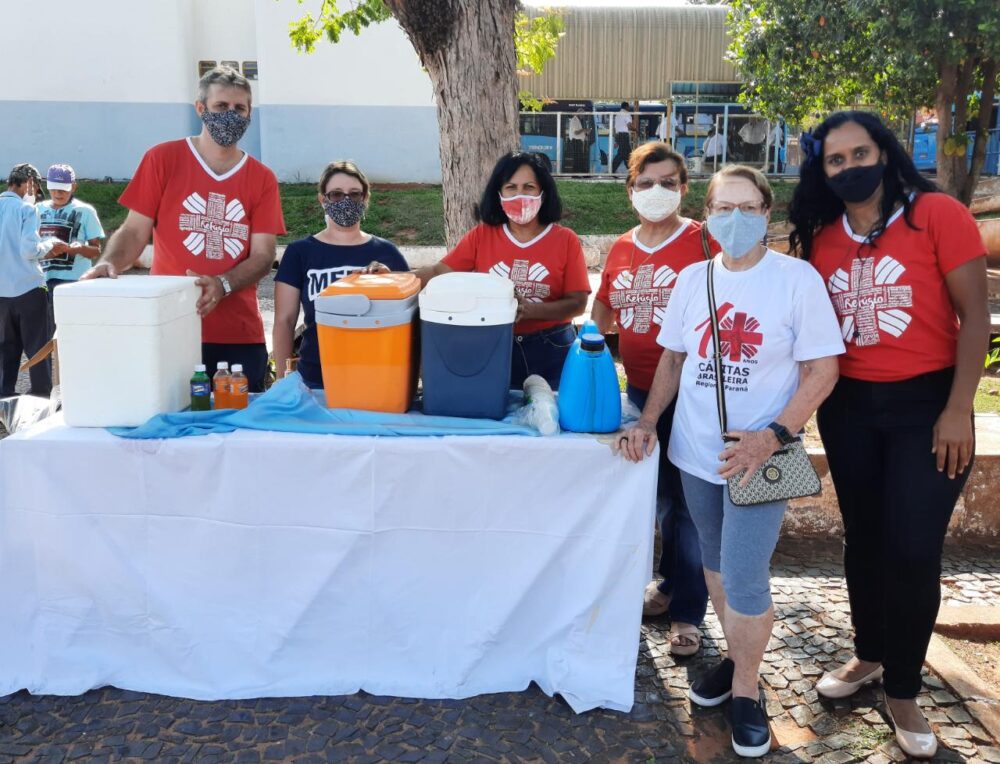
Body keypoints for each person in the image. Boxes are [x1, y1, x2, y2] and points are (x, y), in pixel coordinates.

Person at [620, 165, 843, 758]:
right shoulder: (694, 279)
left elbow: (823, 371)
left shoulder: (796, 281)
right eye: (724, 208)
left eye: (749, 208)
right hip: (696, 453)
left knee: (744, 575)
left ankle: (746, 688)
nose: (736, 220)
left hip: (758, 457)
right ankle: (738, 657)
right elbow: (671, 361)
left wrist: (771, 436)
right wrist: (647, 422)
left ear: (767, 214)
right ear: (709, 214)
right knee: (715, 566)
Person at [788, 111, 989, 760]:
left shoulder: (937, 215)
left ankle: (904, 688)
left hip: (928, 409)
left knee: (911, 547)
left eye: (860, 152)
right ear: (823, 172)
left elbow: (976, 319)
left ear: (886, 151)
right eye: (835, 161)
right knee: (864, 542)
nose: (850, 167)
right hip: (849, 410)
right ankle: (870, 656)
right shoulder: (823, 238)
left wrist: (959, 409)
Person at [83, 66, 285, 392]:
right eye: (221, 107)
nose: (231, 115)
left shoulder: (262, 178)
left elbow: (263, 255)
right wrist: (111, 262)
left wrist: (224, 284)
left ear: (249, 115)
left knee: (236, 435)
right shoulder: (163, 159)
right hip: (170, 326)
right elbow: (134, 231)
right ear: (201, 109)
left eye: (240, 109)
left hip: (238, 335)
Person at [592, 142, 711, 655]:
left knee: (690, 504)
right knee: (660, 495)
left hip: (696, 392)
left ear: (684, 188)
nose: (656, 191)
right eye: (645, 182)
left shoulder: (705, 241)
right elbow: (604, 307)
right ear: (630, 191)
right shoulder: (621, 247)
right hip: (640, 387)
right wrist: (590, 349)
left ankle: (689, 612)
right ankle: (668, 586)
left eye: (667, 182)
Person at [415, 151, 590, 389]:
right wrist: (393, 278)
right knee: (496, 413)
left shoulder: (565, 240)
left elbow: (577, 303)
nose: (520, 194)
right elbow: (438, 272)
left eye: (529, 186)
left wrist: (530, 310)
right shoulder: (482, 236)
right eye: (511, 187)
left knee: (554, 419)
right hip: (495, 343)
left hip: (552, 349)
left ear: (543, 192)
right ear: (499, 194)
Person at [273, 161, 409, 388]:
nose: (346, 200)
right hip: (315, 378)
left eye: (354, 195)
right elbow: (284, 321)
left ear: (365, 199)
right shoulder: (300, 252)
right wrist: (281, 380)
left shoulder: (386, 253)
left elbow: (408, 319)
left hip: (376, 377)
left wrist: (388, 280)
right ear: (323, 200)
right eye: (336, 195)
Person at [0, 164, 68, 397]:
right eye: (36, 187)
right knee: (38, 347)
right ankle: (40, 397)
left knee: (5, 350)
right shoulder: (27, 210)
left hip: (1, 293)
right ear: (29, 183)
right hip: (28, 288)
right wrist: (49, 244)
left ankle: (4, 400)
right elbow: (30, 250)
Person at [38, 164, 105, 320]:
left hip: (75, 281)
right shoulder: (37, 209)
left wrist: (79, 248)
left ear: (73, 187)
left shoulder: (85, 211)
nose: (57, 193)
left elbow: (96, 249)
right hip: (42, 281)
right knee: (48, 332)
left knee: (74, 324)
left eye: (62, 189)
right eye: (54, 188)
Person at [612, 101, 633, 174]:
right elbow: (629, 126)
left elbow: (615, 128)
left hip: (618, 135)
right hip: (624, 135)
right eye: (628, 107)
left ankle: (631, 170)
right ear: (627, 107)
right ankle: (612, 170)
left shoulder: (617, 115)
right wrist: (636, 130)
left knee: (628, 153)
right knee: (622, 154)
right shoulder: (627, 114)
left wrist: (616, 140)